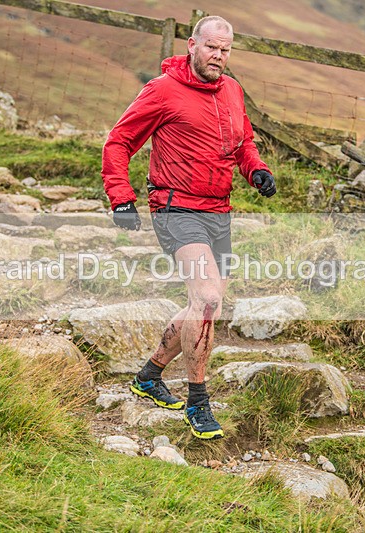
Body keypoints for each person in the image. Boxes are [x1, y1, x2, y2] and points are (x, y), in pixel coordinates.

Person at [101, 15, 276, 440]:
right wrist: (121, 196)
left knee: (204, 303)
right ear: (192, 45)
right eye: (211, 47)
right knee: (209, 300)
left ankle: (148, 376)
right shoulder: (162, 90)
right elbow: (119, 141)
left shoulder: (231, 90)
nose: (218, 56)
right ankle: (198, 402)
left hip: (219, 211)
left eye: (225, 50)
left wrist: (256, 170)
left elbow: (244, 143)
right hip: (175, 207)